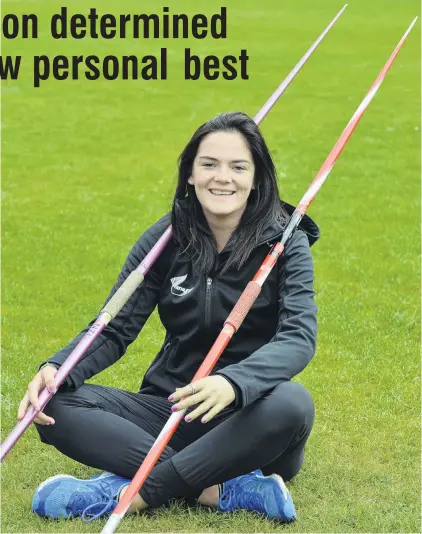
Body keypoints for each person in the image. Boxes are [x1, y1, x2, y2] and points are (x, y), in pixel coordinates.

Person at [18, 112, 319, 524]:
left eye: (238, 166)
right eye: (209, 164)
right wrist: (57, 366)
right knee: (55, 403)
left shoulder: (287, 241)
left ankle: (131, 493)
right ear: (190, 174)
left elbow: (299, 337)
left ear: (257, 178)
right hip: (170, 409)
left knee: (293, 403)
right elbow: (115, 328)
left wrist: (235, 382)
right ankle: (222, 489)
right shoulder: (165, 238)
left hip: (249, 418)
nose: (222, 178)